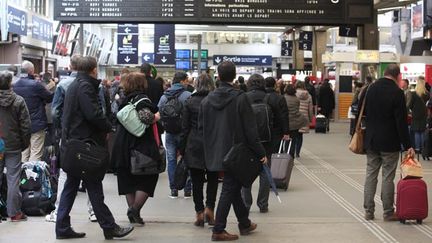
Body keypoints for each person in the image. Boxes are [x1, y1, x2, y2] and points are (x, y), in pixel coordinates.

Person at [55, 56, 133, 240]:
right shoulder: (85, 87)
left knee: (72, 187)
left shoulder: (75, 85)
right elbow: (93, 114)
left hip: (74, 144)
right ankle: (109, 226)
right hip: (85, 145)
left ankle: (62, 227)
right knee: (94, 186)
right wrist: (108, 126)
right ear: (93, 69)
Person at [200, 61, 267, 241]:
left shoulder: (206, 101)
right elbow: (250, 129)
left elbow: (201, 128)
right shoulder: (240, 98)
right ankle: (218, 229)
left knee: (234, 188)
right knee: (229, 189)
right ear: (234, 76)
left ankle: (244, 223)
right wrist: (261, 153)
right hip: (236, 152)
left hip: (214, 151)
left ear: (218, 77)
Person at [46, 55, 97, 223]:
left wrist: (62, 129)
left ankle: (58, 211)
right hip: (90, 138)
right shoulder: (94, 86)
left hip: (69, 136)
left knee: (65, 173)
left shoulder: (63, 84)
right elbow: (100, 110)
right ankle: (93, 211)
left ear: (71, 66)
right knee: (91, 172)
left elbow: (55, 112)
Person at [360, 64, 413, 221]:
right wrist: (408, 144)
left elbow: (362, 111)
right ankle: (388, 212)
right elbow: (401, 122)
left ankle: (368, 211)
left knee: (371, 175)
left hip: (371, 140)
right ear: (397, 76)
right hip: (390, 142)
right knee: (388, 177)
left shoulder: (370, 89)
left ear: (385, 73)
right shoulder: (397, 92)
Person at [111, 72, 161, 226]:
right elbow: (146, 117)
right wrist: (157, 116)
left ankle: (133, 213)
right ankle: (135, 209)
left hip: (121, 143)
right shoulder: (142, 99)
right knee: (148, 176)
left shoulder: (123, 99)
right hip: (140, 143)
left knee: (127, 179)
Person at [179, 74, 218, 227]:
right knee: (213, 179)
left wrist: (182, 149)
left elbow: (185, 128)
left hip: (194, 144)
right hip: (213, 144)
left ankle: (199, 213)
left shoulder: (190, 102)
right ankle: (210, 209)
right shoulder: (215, 101)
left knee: (196, 181)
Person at [241, 74, 278, 214]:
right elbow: (277, 121)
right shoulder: (269, 98)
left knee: (246, 172)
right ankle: (263, 204)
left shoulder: (244, 98)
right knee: (265, 172)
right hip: (266, 141)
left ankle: (246, 203)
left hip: (249, 142)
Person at [0, 71, 31, 222]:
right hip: (13, 145)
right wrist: (23, 144)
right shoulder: (18, 101)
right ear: (10, 83)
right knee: (13, 179)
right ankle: (14, 213)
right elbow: (26, 126)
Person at [158, 71, 192, 198]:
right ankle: (187, 189)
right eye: (186, 81)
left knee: (171, 160)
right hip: (184, 133)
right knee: (187, 159)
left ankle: (173, 189)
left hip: (170, 132)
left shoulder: (164, 96)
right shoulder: (188, 95)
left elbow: (160, 113)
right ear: (182, 81)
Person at [13, 60, 54, 162]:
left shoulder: (14, 85)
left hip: (20, 124)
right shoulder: (36, 84)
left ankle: (22, 176)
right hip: (37, 124)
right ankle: (31, 176)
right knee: (36, 152)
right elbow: (49, 97)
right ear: (31, 71)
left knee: (24, 152)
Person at [264, 76, 290, 155]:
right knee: (276, 152)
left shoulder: (261, 96)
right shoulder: (280, 98)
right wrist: (286, 132)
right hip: (277, 129)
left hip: (263, 128)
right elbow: (284, 115)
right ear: (275, 85)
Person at [284, 84, 308, 157]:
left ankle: (286, 154)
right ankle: (292, 156)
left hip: (286, 122)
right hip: (295, 122)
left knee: (286, 139)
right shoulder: (296, 99)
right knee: (293, 140)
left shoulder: (284, 98)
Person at [408, 76, 429, 156]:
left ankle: (417, 148)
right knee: (423, 132)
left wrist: (412, 110)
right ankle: (423, 148)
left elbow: (410, 105)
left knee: (417, 132)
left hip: (415, 115)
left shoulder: (414, 94)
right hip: (424, 115)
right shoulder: (426, 94)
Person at [295, 82, 313, 157]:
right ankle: (298, 152)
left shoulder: (293, 94)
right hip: (304, 117)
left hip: (295, 116)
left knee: (294, 134)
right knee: (300, 136)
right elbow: (310, 109)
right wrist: (310, 118)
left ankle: (292, 150)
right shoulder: (308, 95)